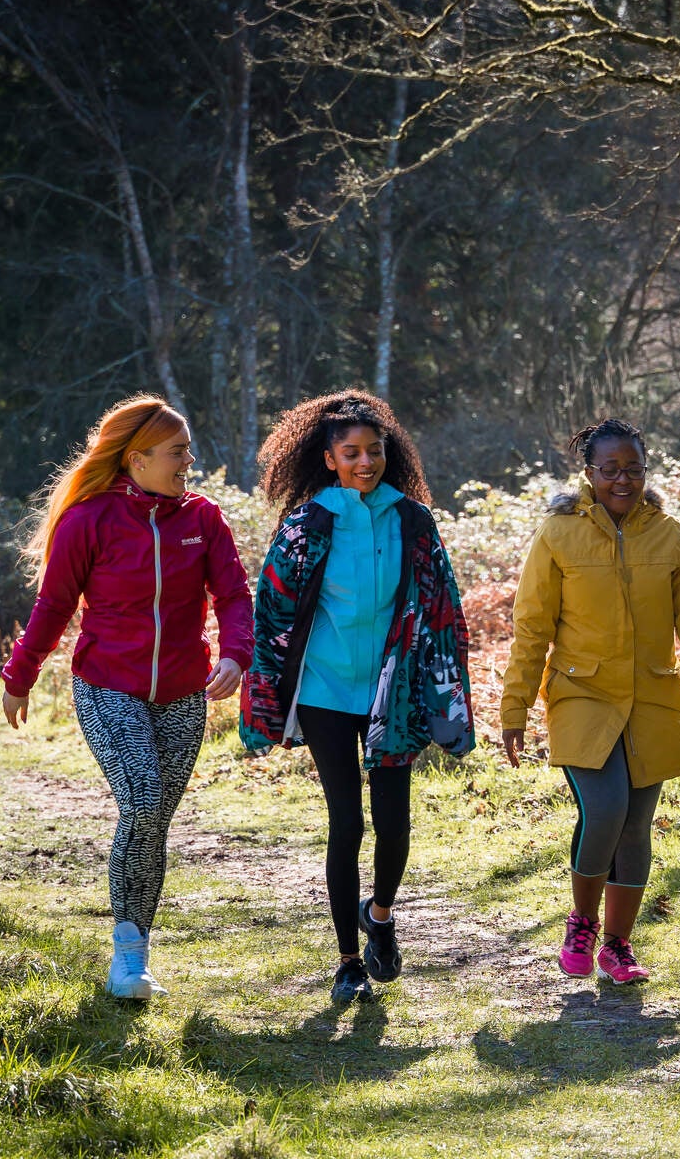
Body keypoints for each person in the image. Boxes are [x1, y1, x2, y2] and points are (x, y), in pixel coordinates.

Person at [1, 395, 253, 1001]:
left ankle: (136, 948)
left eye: (187, 449)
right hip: (108, 685)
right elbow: (54, 606)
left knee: (154, 823)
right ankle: (127, 956)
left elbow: (236, 596)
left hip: (183, 690)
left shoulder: (203, 518)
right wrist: (20, 675)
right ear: (137, 459)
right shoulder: (89, 521)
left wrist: (235, 655)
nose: (188, 461)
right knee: (142, 805)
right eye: (177, 452)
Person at [499, 418, 680, 985]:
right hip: (581, 693)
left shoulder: (667, 533)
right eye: (610, 469)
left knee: (637, 824)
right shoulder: (558, 533)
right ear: (588, 473)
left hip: (652, 697)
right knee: (607, 808)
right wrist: (514, 709)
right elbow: (531, 628)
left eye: (634, 468)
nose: (623, 479)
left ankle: (618, 946)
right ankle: (583, 922)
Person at [240, 390, 475, 1005]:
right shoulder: (306, 524)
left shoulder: (413, 521)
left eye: (374, 451)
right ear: (327, 458)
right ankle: (348, 960)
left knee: (394, 825)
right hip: (323, 691)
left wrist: (447, 696)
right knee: (347, 822)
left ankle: (382, 912)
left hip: (391, 693)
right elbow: (271, 613)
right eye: (351, 452)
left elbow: (444, 610)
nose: (365, 461)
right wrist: (264, 695)